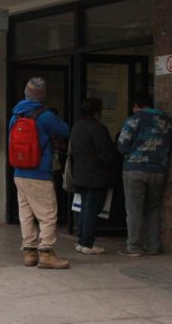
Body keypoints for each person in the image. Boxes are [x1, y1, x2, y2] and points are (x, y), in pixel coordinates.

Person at [10, 77, 70, 269]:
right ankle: (46, 253)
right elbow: (65, 131)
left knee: (25, 213)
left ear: (25, 94)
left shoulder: (15, 116)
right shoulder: (45, 116)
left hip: (19, 172)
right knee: (47, 214)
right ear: (42, 96)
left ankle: (29, 252)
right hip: (39, 172)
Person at [117, 94, 172, 257]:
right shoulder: (166, 121)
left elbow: (122, 145)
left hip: (135, 168)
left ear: (136, 105)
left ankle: (134, 246)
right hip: (158, 170)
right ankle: (153, 246)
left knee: (134, 209)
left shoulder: (133, 120)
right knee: (153, 209)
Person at [70, 98, 117, 255]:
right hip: (96, 176)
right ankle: (87, 243)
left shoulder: (77, 127)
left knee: (84, 208)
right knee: (92, 209)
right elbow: (106, 153)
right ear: (97, 112)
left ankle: (81, 240)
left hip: (80, 175)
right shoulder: (98, 128)